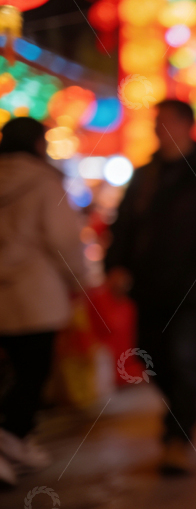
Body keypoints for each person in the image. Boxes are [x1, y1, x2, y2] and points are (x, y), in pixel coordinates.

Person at [105, 99, 196, 475]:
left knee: (184, 358)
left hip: (191, 287)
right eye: (156, 121)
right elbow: (123, 226)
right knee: (150, 356)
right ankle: (182, 413)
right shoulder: (145, 173)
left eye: (165, 121)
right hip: (148, 284)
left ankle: (177, 438)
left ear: (186, 125)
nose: (158, 127)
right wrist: (115, 265)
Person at [0, 117, 86, 486]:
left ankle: (15, 441)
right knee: (32, 373)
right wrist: (79, 280)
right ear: (38, 143)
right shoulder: (45, 181)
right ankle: (12, 436)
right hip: (33, 293)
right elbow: (64, 239)